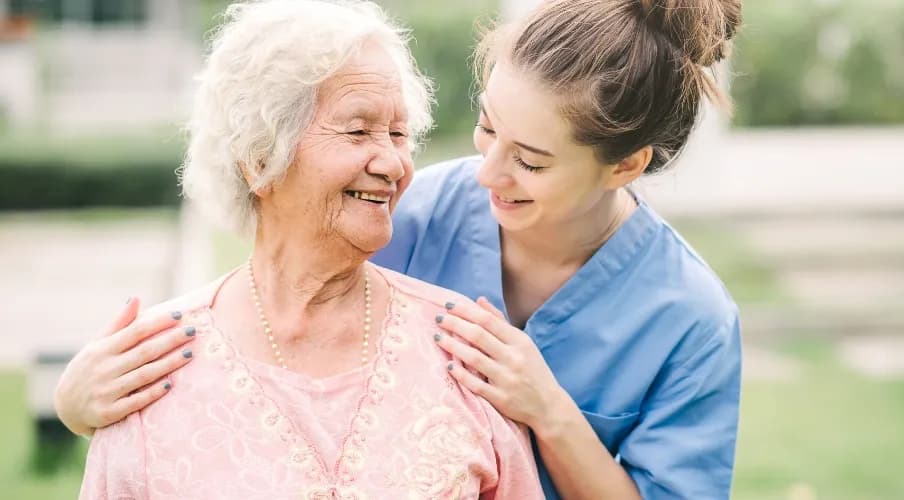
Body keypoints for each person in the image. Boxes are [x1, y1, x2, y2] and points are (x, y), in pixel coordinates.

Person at [61, 0, 743, 498]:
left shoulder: (691, 320)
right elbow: (282, 286)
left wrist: (550, 411)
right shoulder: (413, 211)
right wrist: (76, 402)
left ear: (625, 166)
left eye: (530, 162)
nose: (487, 174)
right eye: (485, 129)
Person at [76, 1, 543, 498]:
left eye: (399, 134)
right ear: (259, 159)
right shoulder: (151, 370)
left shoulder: (464, 352)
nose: (391, 161)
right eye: (358, 130)